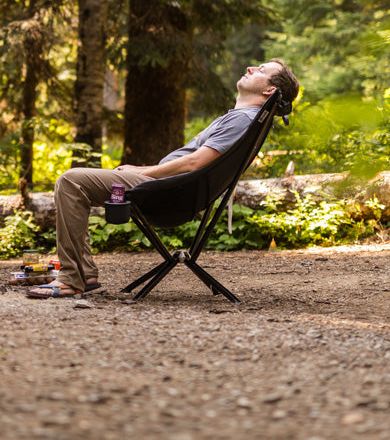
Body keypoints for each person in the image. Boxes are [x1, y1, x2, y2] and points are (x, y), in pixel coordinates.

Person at [27, 59, 299, 298]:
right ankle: (84, 273)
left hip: (167, 193)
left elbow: (194, 163)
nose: (250, 68)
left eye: (261, 70)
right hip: (173, 191)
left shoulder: (242, 120)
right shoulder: (246, 118)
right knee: (76, 183)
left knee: (71, 181)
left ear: (270, 90)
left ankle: (70, 279)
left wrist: (143, 171)